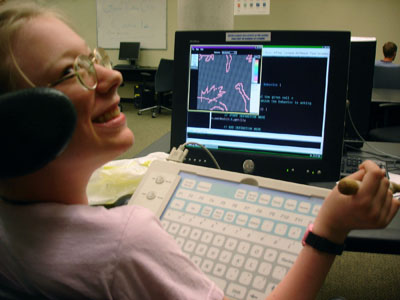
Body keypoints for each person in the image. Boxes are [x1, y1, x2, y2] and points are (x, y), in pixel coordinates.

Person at [0, 2, 399, 299]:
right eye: (74, 71)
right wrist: (328, 229)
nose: (113, 75)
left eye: (94, 59)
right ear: (14, 123)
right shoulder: (126, 244)